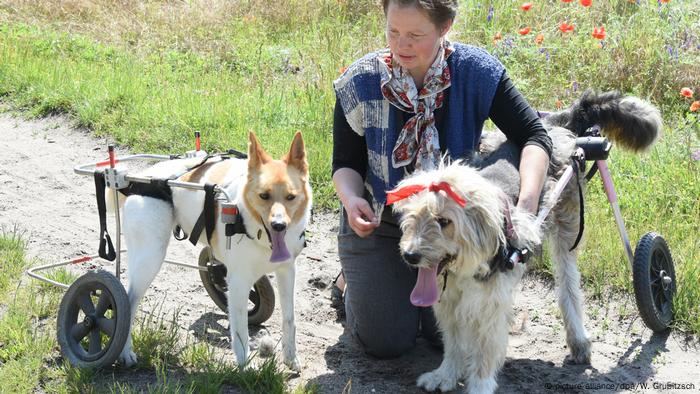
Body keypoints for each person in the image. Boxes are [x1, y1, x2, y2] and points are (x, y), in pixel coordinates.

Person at [331, 0, 552, 358]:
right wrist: (351, 199)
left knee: (446, 337)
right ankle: (349, 283)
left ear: (445, 26)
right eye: (393, 32)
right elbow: (345, 163)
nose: (402, 45)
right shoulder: (360, 82)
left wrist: (524, 207)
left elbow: (534, 136)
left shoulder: (476, 72)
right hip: (382, 222)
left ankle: (407, 291)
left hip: (451, 229)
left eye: (416, 35)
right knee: (387, 342)